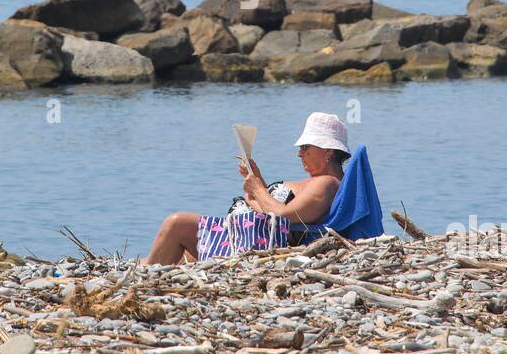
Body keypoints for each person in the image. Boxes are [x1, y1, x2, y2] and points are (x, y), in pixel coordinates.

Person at [143, 112, 351, 265]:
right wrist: (256, 180)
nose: (300, 154)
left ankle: (139, 283)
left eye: (305, 147)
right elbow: (278, 209)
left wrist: (256, 190)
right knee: (180, 255)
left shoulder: (327, 183)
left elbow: (284, 216)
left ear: (328, 152)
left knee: (176, 223)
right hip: (248, 236)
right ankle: (142, 270)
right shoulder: (319, 183)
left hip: (255, 244)